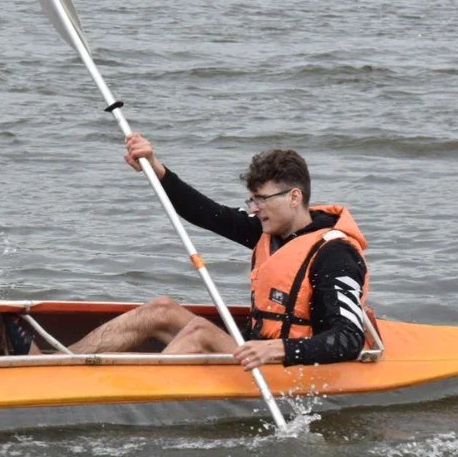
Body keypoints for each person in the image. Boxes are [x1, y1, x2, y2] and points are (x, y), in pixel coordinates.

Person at [61, 132, 368, 371]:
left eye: (261, 200)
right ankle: (60, 363)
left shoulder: (335, 254)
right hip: (255, 350)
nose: (255, 209)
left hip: (287, 364)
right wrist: (155, 169)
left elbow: (349, 339)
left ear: (294, 197)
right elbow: (206, 213)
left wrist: (277, 350)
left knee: (199, 332)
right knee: (161, 309)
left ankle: (128, 394)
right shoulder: (267, 228)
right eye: (252, 200)